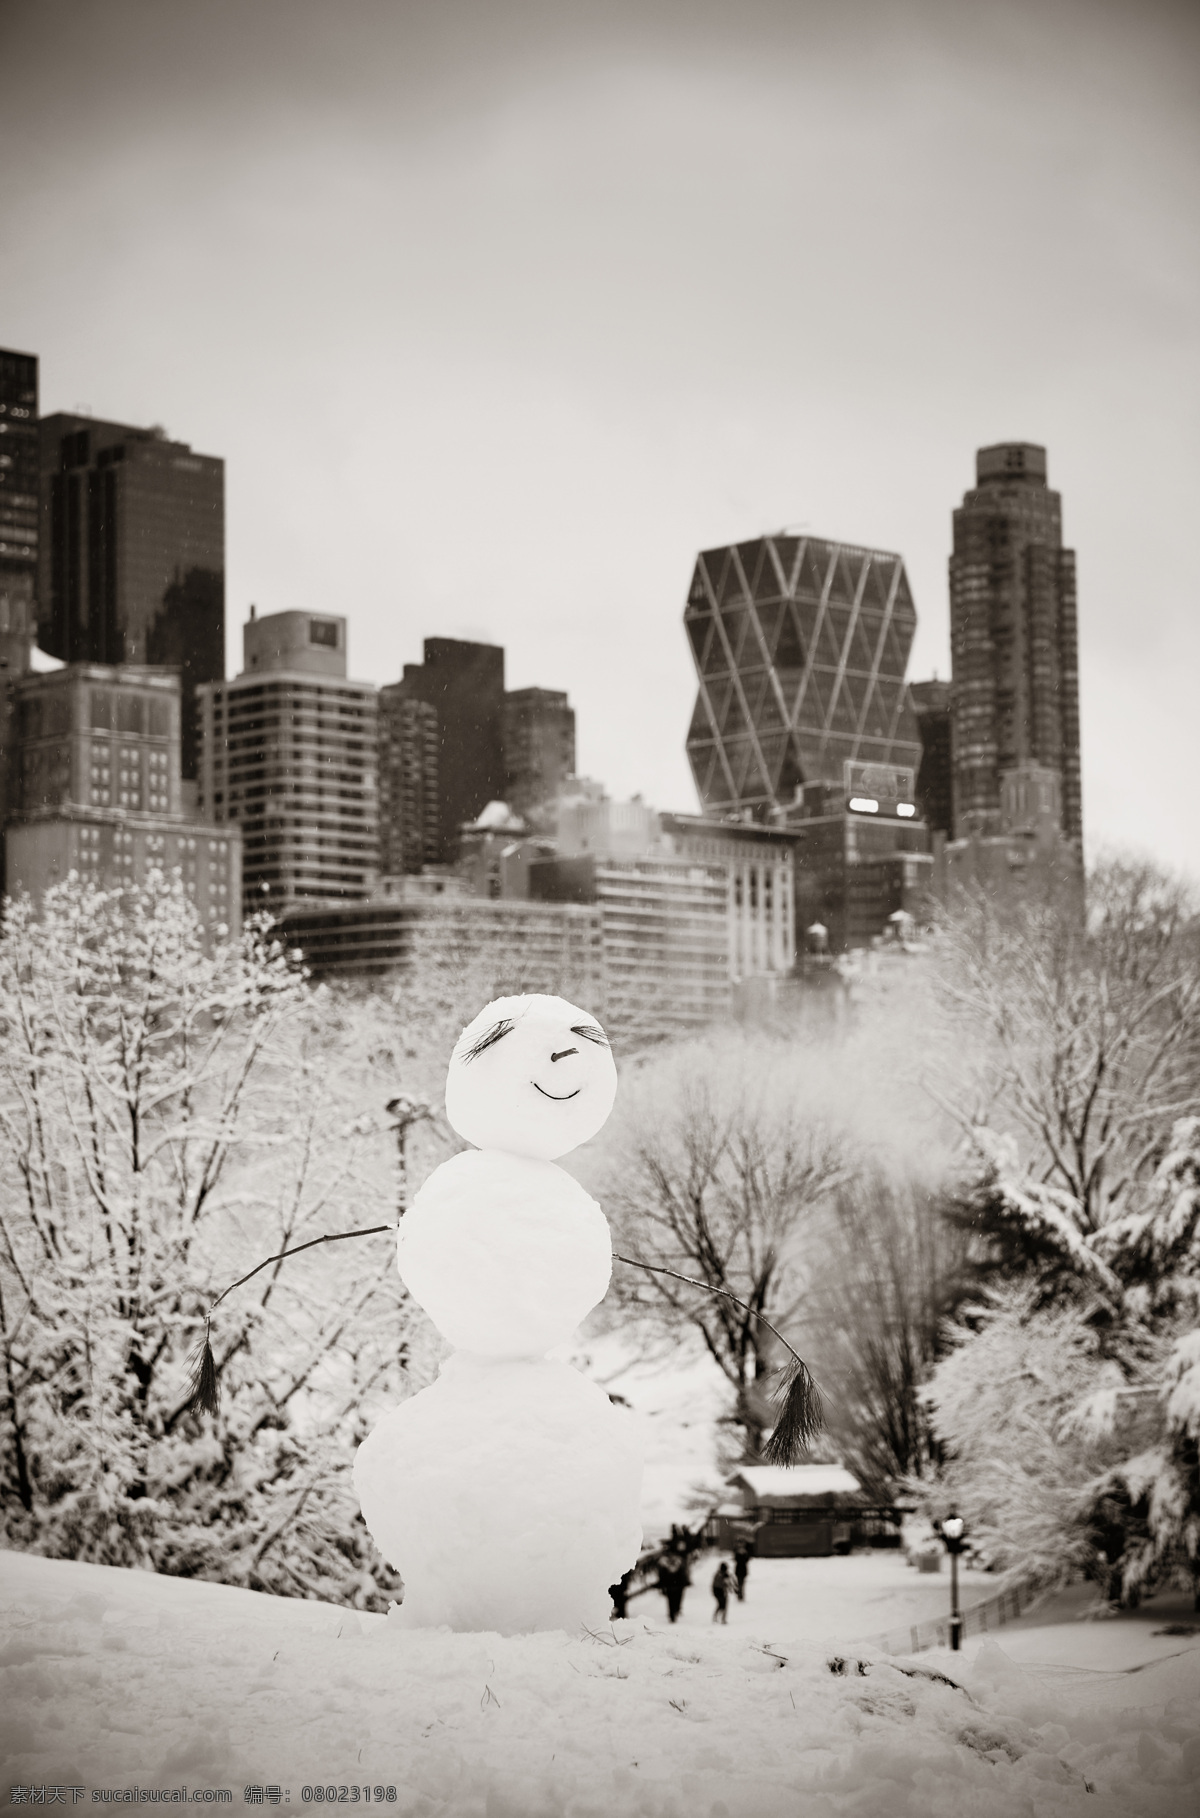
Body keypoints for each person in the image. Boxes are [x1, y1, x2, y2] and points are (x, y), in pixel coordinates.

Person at [656, 1549, 689, 1623]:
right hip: (677, 1586)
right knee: (676, 1600)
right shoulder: (679, 1563)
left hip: (671, 1586)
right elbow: (683, 1575)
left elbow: (662, 1577)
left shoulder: (665, 1564)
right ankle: (675, 1611)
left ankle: (672, 1614)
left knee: (671, 1601)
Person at [711, 1559, 731, 1624]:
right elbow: (726, 1584)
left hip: (716, 1591)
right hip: (721, 1591)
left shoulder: (717, 1574)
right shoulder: (724, 1575)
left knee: (720, 1605)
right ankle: (723, 1619)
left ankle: (716, 1616)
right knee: (723, 1605)